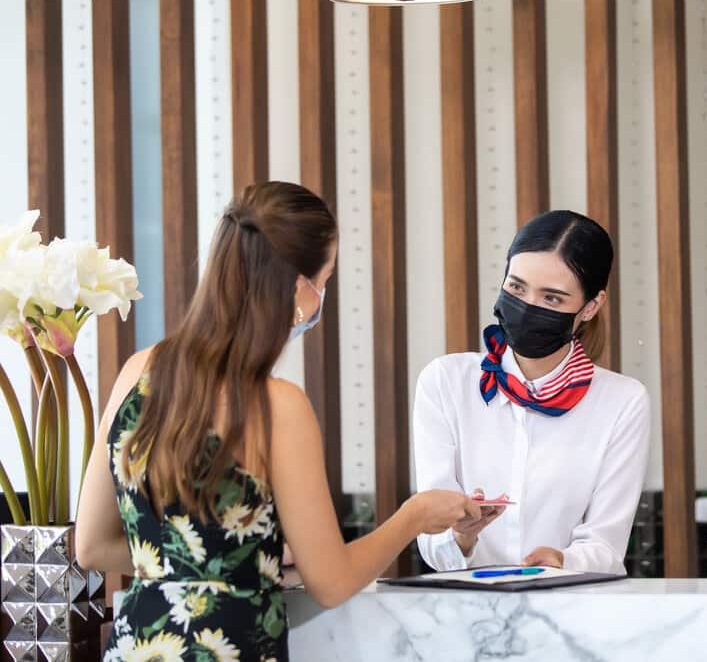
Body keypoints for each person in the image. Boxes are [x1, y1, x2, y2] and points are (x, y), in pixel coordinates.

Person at [75, 182, 480, 661]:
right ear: (297, 289)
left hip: (135, 646)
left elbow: (93, 546)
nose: (322, 297)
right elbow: (331, 583)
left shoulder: (135, 372)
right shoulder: (277, 406)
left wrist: (237, 555)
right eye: (325, 280)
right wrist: (414, 516)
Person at [413, 210, 651, 574]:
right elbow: (432, 540)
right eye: (517, 288)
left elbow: (605, 545)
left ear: (591, 307)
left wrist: (562, 561)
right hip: (464, 612)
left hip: (572, 612)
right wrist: (462, 536)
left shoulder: (622, 402)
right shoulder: (445, 382)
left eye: (552, 299)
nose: (527, 307)